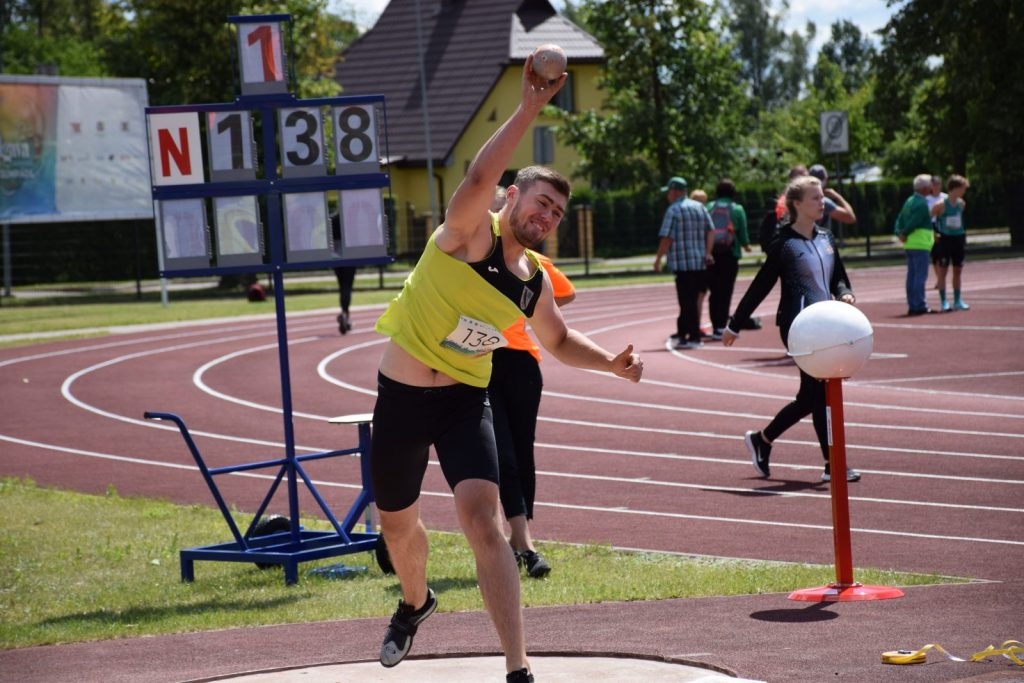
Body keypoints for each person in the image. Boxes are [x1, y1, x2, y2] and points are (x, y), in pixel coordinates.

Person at [369, 57, 643, 683]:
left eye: (555, 215)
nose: (545, 218)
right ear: (513, 196)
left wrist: (613, 367)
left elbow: (561, 339)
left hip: (466, 399)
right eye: (540, 203)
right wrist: (528, 108)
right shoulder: (468, 233)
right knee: (397, 525)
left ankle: (518, 668)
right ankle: (416, 603)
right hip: (404, 397)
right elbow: (478, 172)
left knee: (483, 521)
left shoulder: (534, 282)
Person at [722, 175, 861, 483]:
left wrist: (844, 292)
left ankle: (763, 439)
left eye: (822, 197)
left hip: (828, 326)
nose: (822, 202)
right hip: (799, 327)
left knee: (812, 396)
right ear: (796, 204)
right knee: (819, 393)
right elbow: (761, 286)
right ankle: (832, 463)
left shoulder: (826, 238)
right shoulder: (784, 244)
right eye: (815, 198)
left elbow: (839, 276)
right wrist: (735, 323)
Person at [491, 250, 575, 579]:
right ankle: (527, 547)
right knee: (504, 455)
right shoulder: (468, 251)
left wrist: (532, 313)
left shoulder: (530, 259)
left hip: (522, 363)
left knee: (523, 453)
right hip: (480, 361)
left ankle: (517, 538)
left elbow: (566, 292)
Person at [653, 176, 715, 349]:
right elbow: (711, 231)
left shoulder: (673, 210)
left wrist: (658, 259)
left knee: (686, 301)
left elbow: (666, 237)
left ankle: (691, 336)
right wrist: (708, 252)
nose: (667, 196)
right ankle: (684, 334)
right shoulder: (699, 207)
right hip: (699, 262)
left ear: (675, 192)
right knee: (694, 300)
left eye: (669, 192)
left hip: (682, 264)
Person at [705, 178, 751, 340]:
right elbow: (743, 233)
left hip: (711, 254)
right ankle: (721, 326)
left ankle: (715, 325)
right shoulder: (737, 209)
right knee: (725, 291)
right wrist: (746, 245)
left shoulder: (709, 207)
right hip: (730, 254)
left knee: (714, 292)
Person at [894, 174, 937, 315]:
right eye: (930, 185)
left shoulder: (909, 201)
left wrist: (899, 233)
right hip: (920, 243)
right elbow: (915, 221)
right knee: (919, 276)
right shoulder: (921, 203)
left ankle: (913, 304)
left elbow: (899, 218)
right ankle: (919, 305)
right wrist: (905, 232)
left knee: (912, 276)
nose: (932, 187)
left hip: (910, 244)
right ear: (925, 188)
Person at [930, 174, 971, 311]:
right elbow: (929, 219)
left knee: (958, 269)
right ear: (955, 188)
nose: (964, 191)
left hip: (958, 238)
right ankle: (944, 301)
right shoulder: (941, 205)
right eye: (963, 188)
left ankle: (958, 300)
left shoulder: (961, 204)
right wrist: (933, 232)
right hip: (945, 239)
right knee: (943, 270)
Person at [807, 164, 857, 237]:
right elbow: (850, 217)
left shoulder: (800, 199)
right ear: (826, 179)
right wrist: (838, 196)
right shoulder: (824, 202)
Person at [330, 213, 356, 334]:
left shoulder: (332, 219)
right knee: (347, 286)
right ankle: (345, 314)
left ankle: (345, 313)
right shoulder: (350, 218)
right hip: (349, 255)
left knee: (342, 286)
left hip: (336, 256)